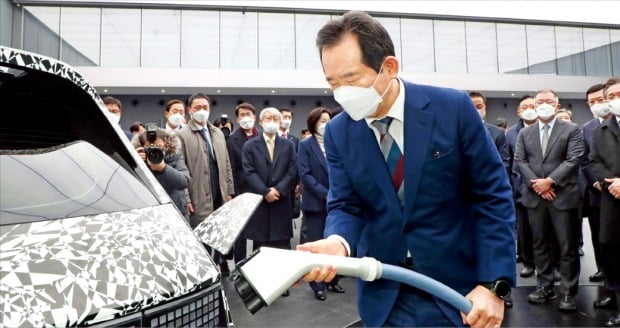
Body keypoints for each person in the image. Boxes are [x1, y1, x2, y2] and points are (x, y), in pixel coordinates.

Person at [298, 11, 515, 327]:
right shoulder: (339, 132)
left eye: (352, 78)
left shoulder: (452, 109)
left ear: (389, 67)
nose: (342, 92)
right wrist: (337, 243)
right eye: (333, 82)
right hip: (386, 293)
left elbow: (492, 196)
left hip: (461, 292)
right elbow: (347, 204)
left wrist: (494, 284)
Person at [514, 89, 584, 312]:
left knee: (567, 246)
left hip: (563, 197)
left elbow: (574, 159)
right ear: (533, 105)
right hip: (535, 197)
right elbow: (520, 161)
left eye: (548, 101)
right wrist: (538, 184)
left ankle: (568, 291)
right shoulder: (525, 133)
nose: (543, 104)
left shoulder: (572, 130)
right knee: (540, 244)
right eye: (539, 101)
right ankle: (545, 285)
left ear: (556, 104)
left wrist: (551, 181)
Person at [242, 107, 299, 296]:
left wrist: (279, 190)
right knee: (261, 244)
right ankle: (262, 282)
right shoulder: (250, 146)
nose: (272, 121)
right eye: (268, 118)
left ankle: (281, 283)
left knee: (282, 245)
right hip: (260, 201)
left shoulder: (288, 145)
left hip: (282, 202)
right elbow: (249, 172)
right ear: (260, 121)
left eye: (276, 118)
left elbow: (293, 170)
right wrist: (265, 191)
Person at [177, 93, 235, 275]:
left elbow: (226, 163)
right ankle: (202, 273)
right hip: (197, 194)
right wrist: (186, 197)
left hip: (219, 193)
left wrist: (229, 190)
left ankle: (219, 265)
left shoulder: (217, 132)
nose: (202, 111)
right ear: (189, 110)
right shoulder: (182, 135)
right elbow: (181, 168)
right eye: (197, 108)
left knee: (218, 233)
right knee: (200, 235)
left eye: (205, 107)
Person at [297, 107, 345, 301]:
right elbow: (305, 174)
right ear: (313, 123)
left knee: (335, 241)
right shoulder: (306, 145)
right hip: (316, 202)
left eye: (328, 120)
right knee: (316, 242)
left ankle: (333, 279)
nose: (326, 124)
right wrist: (326, 195)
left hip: (337, 202)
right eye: (322, 121)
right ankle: (317, 285)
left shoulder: (337, 143)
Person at [590, 77, 620, 327]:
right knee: (615, 254)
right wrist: (612, 183)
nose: (615, 100)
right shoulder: (601, 130)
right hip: (613, 201)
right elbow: (594, 161)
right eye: (612, 96)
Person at [580, 83, 611, 289]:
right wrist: (596, 182)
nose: (597, 105)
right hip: (598, 195)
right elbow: (585, 161)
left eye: (601, 100)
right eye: (592, 102)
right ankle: (605, 275)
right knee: (601, 240)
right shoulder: (587, 129)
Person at [506, 95, 537, 281]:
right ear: (519, 111)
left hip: (547, 188)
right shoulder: (510, 134)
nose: (529, 109)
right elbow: (510, 163)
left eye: (532, 105)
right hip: (520, 189)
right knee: (524, 230)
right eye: (525, 106)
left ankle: (550, 264)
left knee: (546, 231)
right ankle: (528, 263)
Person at [227, 102, 260, 264]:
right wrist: (232, 192)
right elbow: (231, 168)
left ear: (255, 117)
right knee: (241, 233)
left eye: (249, 114)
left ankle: (256, 264)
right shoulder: (233, 139)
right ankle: (240, 266)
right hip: (241, 190)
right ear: (237, 119)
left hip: (260, 191)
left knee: (258, 232)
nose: (246, 118)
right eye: (242, 115)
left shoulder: (261, 136)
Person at [136, 127, 190, 221]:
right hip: (151, 214)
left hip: (176, 212)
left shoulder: (175, 157)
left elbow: (184, 182)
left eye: (158, 146)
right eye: (149, 147)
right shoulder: (140, 161)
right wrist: (135, 161)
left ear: (165, 144)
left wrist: (163, 168)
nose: (154, 150)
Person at [469, 91, 510, 175]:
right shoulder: (456, 131)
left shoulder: (497, 132)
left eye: (479, 107)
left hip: (490, 182)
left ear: (485, 107)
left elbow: (505, 162)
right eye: (471, 107)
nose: (475, 110)